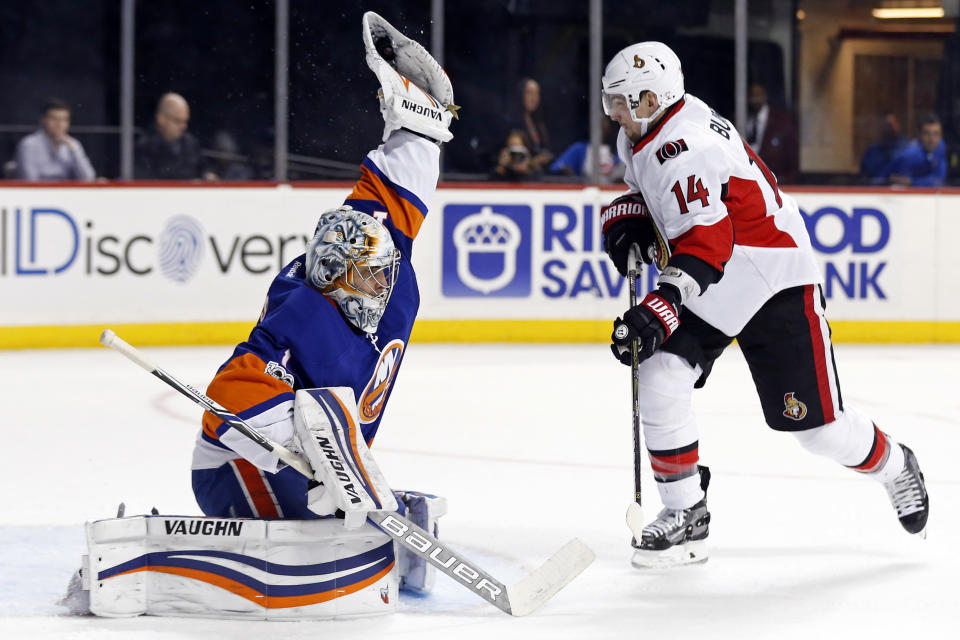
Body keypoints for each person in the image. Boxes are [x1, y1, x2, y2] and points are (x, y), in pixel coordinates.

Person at [599, 41, 929, 568]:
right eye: (610, 101)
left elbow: (707, 243)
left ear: (656, 98)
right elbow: (664, 200)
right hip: (718, 273)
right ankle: (686, 513)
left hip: (771, 276)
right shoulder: (641, 132)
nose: (616, 113)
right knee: (660, 371)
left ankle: (894, 464)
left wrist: (659, 307)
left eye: (626, 102)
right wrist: (631, 216)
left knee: (818, 430)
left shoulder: (688, 148)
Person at [190, 13, 456, 598]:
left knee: (350, 491)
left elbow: (393, 189)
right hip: (239, 471)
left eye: (381, 271)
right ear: (337, 279)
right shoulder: (304, 312)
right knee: (331, 481)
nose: (381, 282)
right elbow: (230, 402)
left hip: (315, 471)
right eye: (368, 277)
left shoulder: (374, 254)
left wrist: (422, 125)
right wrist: (337, 469)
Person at [135, 92, 216, 180]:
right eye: (177, 121)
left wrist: (208, 175)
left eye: (185, 121)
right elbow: (147, 182)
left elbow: (204, 168)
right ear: (161, 119)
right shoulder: (145, 147)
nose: (183, 126)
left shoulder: (190, 143)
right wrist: (189, 183)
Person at [14, 98, 96, 181]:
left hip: (67, 192)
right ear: (43, 120)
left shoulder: (73, 144)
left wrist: (74, 150)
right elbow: (29, 179)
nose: (59, 124)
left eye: (64, 120)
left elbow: (88, 178)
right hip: (39, 192)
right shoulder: (28, 144)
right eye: (54, 119)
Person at [744, 82, 798, 184]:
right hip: (750, 183)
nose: (754, 99)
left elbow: (792, 158)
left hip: (778, 184)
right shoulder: (741, 119)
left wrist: (786, 182)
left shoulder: (781, 121)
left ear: (765, 96)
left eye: (758, 94)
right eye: (751, 95)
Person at [875, 114, 947, 187]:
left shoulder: (941, 146)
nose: (932, 139)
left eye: (936, 134)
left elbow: (938, 180)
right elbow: (898, 183)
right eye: (927, 133)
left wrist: (912, 182)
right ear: (919, 135)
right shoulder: (910, 156)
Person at [549, 117, 624, 183]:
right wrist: (569, 175)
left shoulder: (617, 150)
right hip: (585, 193)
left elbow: (622, 175)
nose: (600, 125)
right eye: (596, 122)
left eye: (603, 122)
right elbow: (558, 167)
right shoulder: (579, 149)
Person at [513, 77, 553, 172]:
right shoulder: (512, 122)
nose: (534, 97)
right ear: (521, 94)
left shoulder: (538, 123)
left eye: (537, 93)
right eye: (529, 93)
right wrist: (534, 162)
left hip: (539, 175)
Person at [860, 113, 909, 181]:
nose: (891, 128)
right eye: (888, 125)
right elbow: (866, 176)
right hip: (878, 189)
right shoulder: (873, 151)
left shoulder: (908, 148)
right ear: (881, 127)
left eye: (893, 124)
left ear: (898, 125)